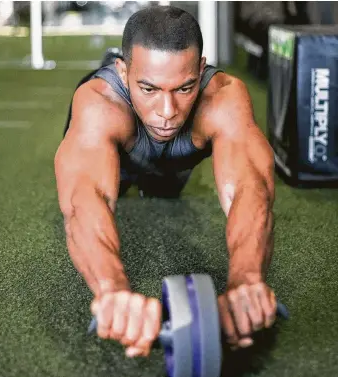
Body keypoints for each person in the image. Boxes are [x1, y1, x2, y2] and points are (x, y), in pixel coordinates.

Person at [54, 5, 277, 358]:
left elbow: (251, 190)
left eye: (185, 87)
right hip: (121, 151)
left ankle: (158, 162)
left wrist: (247, 281)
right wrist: (111, 290)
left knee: (162, 191)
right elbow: (86, 200)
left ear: (201, 68)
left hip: (175, 165)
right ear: (124, 72)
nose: (168, 110)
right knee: (111, 187)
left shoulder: (223, 97)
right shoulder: (100, 103)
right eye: (149, 88)